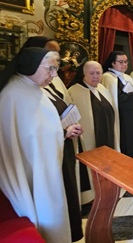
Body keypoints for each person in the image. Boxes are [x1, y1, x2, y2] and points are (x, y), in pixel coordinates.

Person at [0, 47, 79, 242]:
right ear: (31, 66)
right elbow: (26, 137)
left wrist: (60, 132)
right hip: (32, 168)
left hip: (44, 163)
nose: (54, 75)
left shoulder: (32, 87)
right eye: (50, 69)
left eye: (56, 69)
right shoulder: (14, 93)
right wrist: (61, 133)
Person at [69, 61, 118, 203]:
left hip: (106, 134)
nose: (95, 76)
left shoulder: (102, 88)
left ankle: (106, 189)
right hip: (88, 139)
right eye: (91, 73)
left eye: (98, 73)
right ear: (83, 74)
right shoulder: (75, 91)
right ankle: (91, 196)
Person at [101, 51, 133, 161]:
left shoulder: (126, 77)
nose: (124, 64)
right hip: (120, 116)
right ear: (112, 63)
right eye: (121, 62)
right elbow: (117, 98)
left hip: (131, 114)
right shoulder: (108, 77)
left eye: (126, 62)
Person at [21, 36, 72, 103]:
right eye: (52, 51)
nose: (57, 56)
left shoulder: (54, 76)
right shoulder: (25, 82)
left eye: (58, 52)